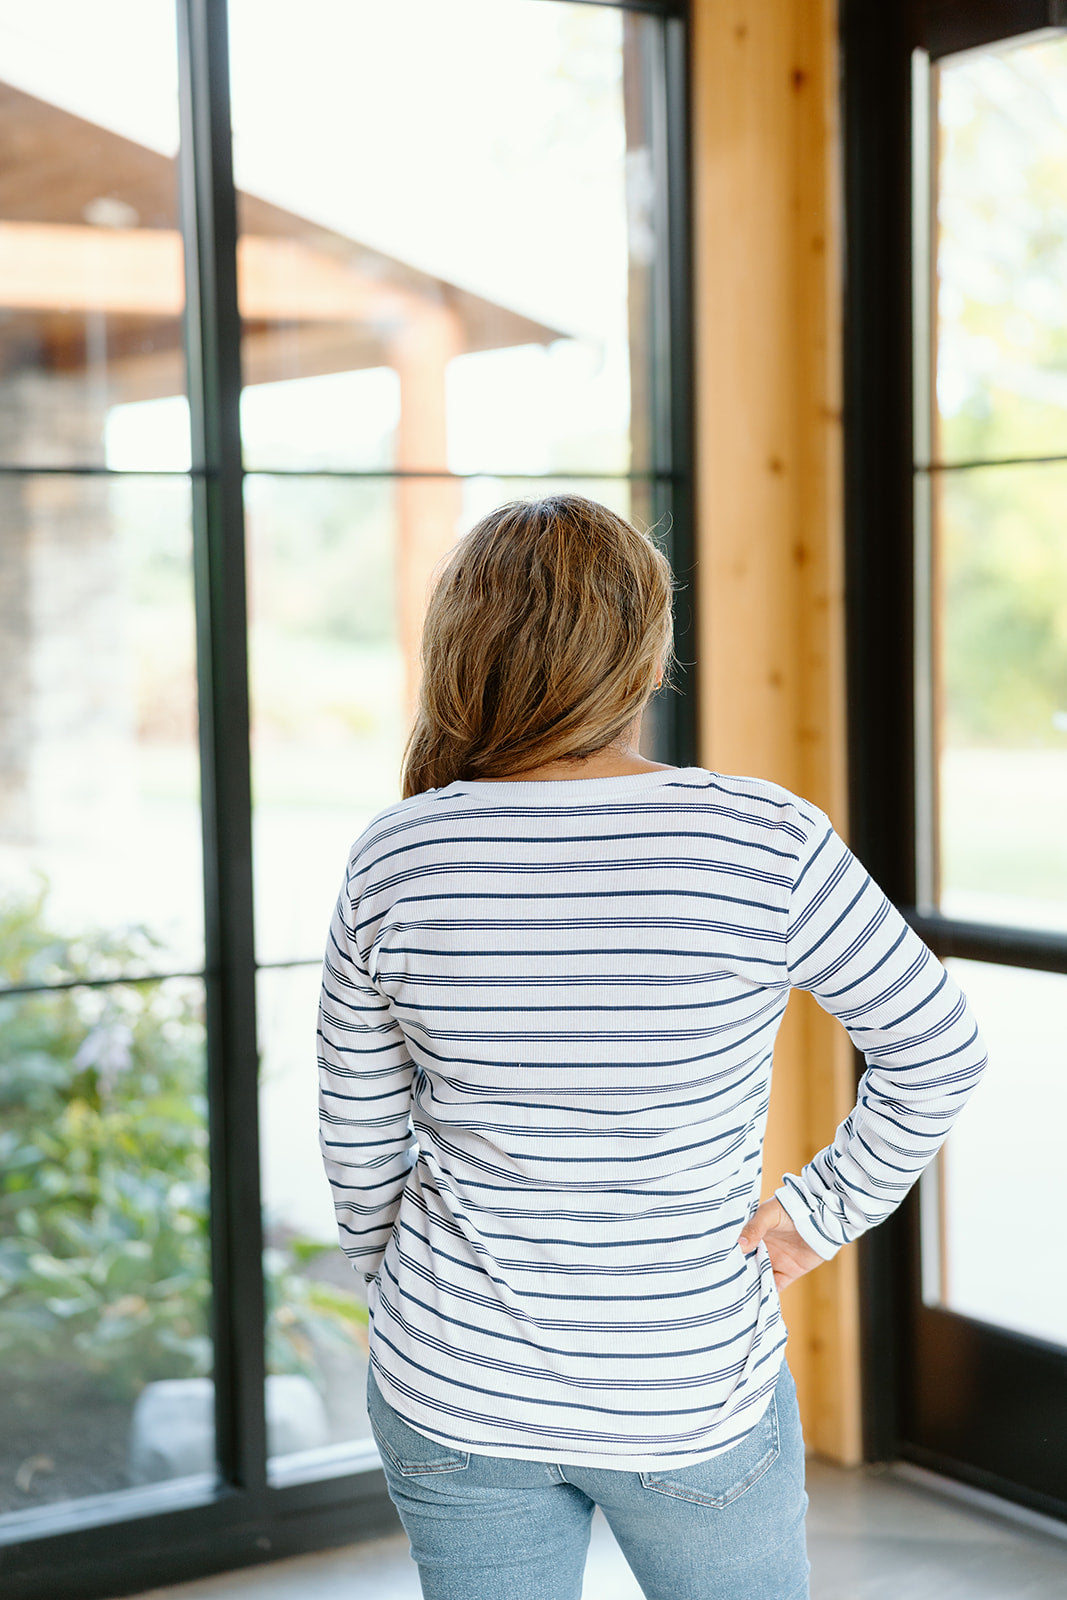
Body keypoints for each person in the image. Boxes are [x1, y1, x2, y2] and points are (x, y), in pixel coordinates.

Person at [317, 495, 987, 1600]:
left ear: (458, 647)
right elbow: (936, 1048)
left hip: (453, 1382)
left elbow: (358, 1136)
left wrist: (414, 1291)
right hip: (684, 1385)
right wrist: (816, 1213)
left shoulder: (397, 852)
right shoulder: (761, 836)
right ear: (641, 653)